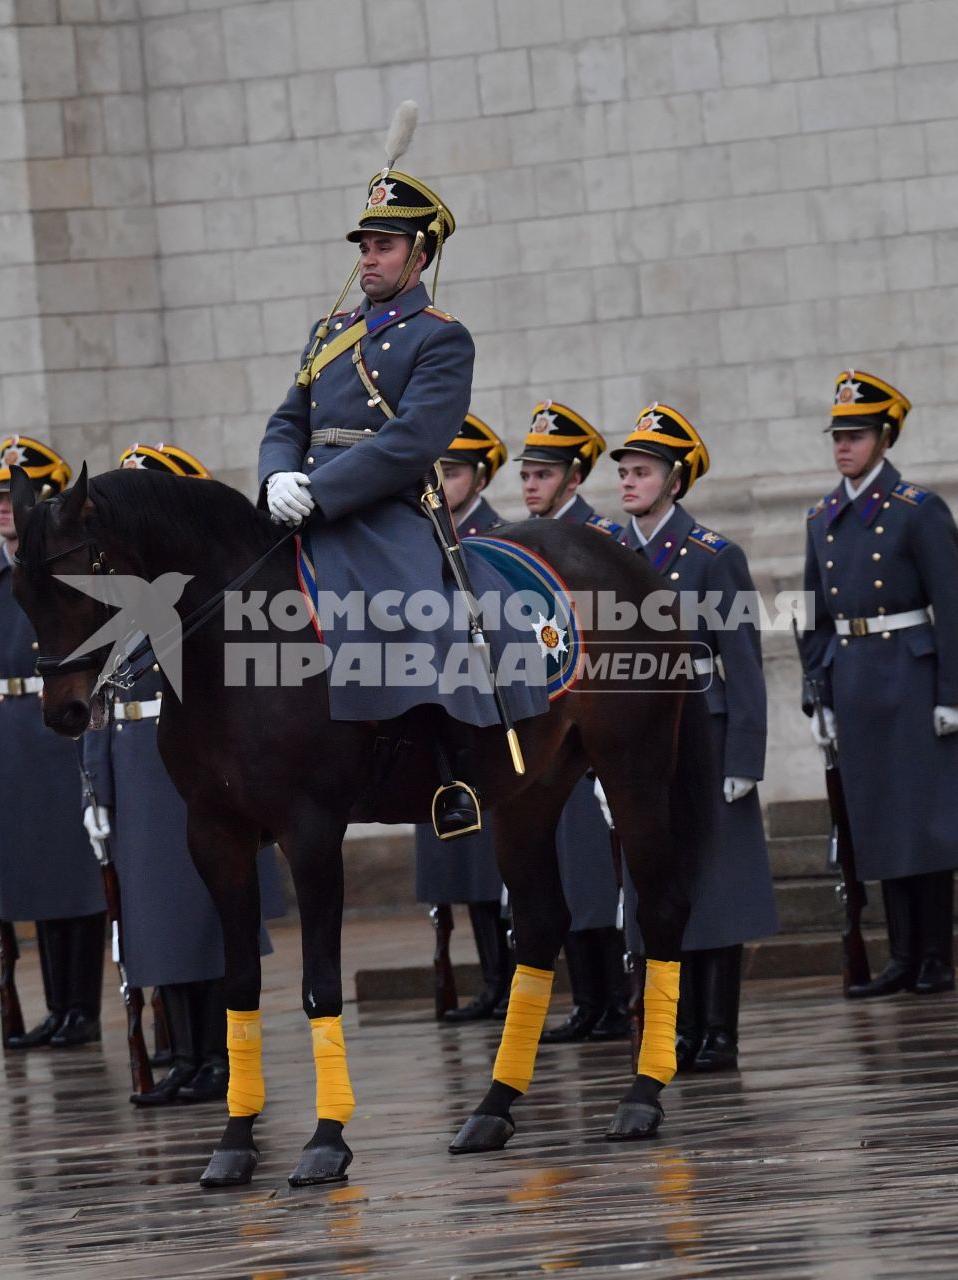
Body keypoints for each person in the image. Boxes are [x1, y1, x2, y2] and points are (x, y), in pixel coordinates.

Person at [256, 154, 545, 840]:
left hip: (385, 513)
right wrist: (276, 477)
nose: (367, 259)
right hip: (302, 501)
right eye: (363, 245)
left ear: (420, 253)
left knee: (420, 618)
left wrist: (319, 491)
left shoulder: (442, 337)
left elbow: (412, 443)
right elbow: (286, 422)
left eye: (383, 245)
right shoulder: (327, 334)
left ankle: (448, 774)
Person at [82, 442, 286, 1103]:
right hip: (135, 760)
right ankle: (185, 1055)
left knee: (206, 916)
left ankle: (224, 1055)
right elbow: (97, 693)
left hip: (194, 754)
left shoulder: (202, 587)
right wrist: (96, 782)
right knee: (157, 920)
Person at [800, 371, 958, 998]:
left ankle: (936, 955)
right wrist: (815, 694)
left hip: (910, 672)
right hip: (853, 680)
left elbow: (951, 604)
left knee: (922, 824)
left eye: (856, 436)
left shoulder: (917, 511)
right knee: (876, 824)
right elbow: (813, 616)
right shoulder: (822, 517)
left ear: (884, 438)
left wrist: (954, 691)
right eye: (839, 436)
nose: (843, 446)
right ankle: (901, 956)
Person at [611, 404, 778, 1071]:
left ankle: (719, 1030)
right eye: (623, 471)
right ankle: (672, 1029)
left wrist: (746, 756)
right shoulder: (610, 556)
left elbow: (743, 663)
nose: (628, 481)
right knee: (656, 887)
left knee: (717, 889)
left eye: (642, 471)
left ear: (675, 482)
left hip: (704, 733)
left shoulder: (713, 557)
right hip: (635, 744)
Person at [0, 435, 109, 1050]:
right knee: (38, 883)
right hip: (13, 740)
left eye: (13, 496)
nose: (2, 506)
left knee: (77, 880)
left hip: (62, 731)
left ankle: (84, 1007)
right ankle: (56, 1007)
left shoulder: (62, 569)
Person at [514, 402, 630, 1043]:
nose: (530, 485)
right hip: (540, 727)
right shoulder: (516, 545)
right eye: (527, 474)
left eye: (544, 474)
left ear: (575, 479)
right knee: (566, 866)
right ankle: (586, 999)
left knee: (595, 866)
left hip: (591, 722)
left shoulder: (598, 546)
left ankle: (612, 996)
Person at [412, 415, 513, 1022]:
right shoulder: (420, 535)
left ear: (480, 476)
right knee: (463, 862)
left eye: (452, 471)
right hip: (437, 707)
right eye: (437, 470)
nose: (442, 481)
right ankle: (490, 981)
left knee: (496, 857)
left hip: (483, 708)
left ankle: (511, 978)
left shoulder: (495, 537)